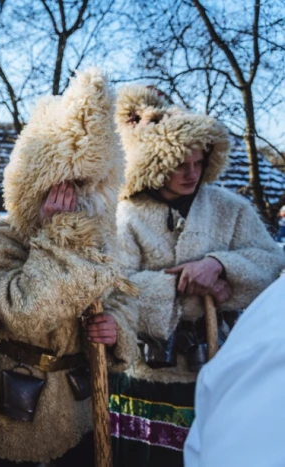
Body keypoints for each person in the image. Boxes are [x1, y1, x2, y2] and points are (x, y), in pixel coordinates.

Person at [111, 85, 285, 467]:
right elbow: (114, 289)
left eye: (198, 163)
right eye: (179, 164)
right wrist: (179, 285)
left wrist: (219, 265)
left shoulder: (230, 208)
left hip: (215, 361)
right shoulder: (126, 216)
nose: (192, 173)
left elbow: (271, 266)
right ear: (157, 161)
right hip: (144, 372)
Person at [0, 70, 138, 467]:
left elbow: (122, 297)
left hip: (79, 403)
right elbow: (24, 314)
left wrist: (115, 329)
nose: (73, 200)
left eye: (83, 186)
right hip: (19, 407)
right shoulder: (3, 238)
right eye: (62, 185)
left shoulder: (101, 242)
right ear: (35, 180)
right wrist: (58, 238)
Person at [183, 275, 285, 466]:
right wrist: (178, 282)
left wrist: (222, 265)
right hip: (165, 363)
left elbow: (263, 264)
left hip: (218, 347)